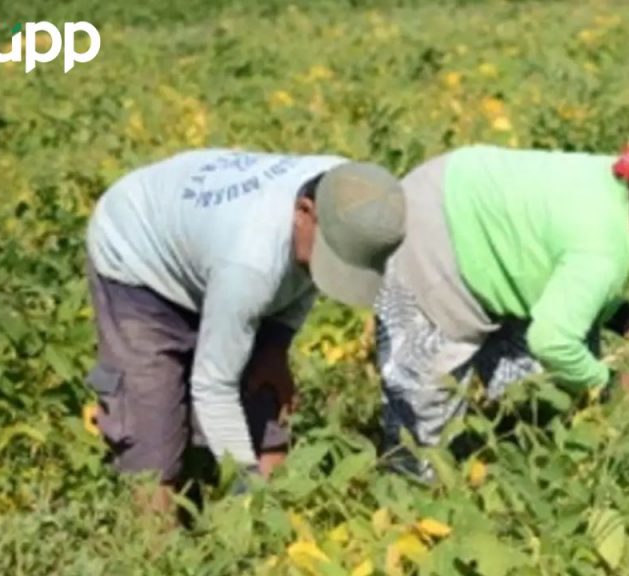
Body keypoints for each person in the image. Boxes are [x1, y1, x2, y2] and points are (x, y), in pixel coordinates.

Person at [374, 133, 629, 477]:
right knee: (424, 398)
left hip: (470, 194)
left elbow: (559, 259)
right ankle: (410, 492)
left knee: (540, 390)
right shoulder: (603, 247)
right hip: (431, 223)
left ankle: (515, 463)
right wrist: (611, 384)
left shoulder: (616, 182)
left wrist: (627, 319)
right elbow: (553, 340)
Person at [84, 149, 405, 512]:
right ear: (304, 213)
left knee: (264, 395)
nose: (331, 271)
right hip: (138, 254)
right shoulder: (251, 261)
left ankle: (273, 544)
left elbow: (308, 279)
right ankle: (154, 552)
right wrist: (245, 493)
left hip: (213, 249)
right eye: (329, 259)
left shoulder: (351, 195)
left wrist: (276, 344)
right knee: (152, 431)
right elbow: (213, 386)